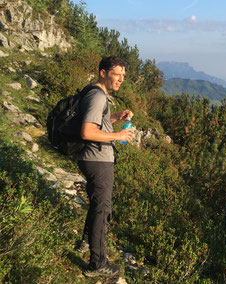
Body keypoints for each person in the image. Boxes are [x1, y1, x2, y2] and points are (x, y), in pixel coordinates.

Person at [75, 56, 134, 277]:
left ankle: (85, 242)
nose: (120, 79)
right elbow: (87, 132)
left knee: (97, 205)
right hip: (97, 159)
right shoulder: (97, 96)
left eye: (123, 76)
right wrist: (117, 136)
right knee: (102, 209)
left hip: (95, 157)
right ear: (102, 73)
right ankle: (97, 263)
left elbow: (97, 121)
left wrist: (116, 117)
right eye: (116, 74)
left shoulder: (97, 95)